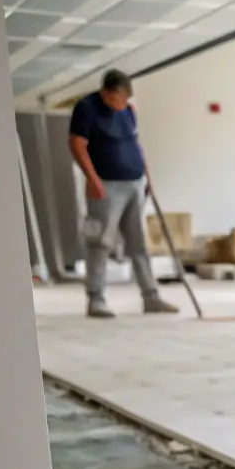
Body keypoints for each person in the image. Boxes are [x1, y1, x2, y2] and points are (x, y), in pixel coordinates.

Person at [67, 69, 177, 319]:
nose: (121, 105)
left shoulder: (128, 110)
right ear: (107, 92)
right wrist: (92, 178)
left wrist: (147, 174)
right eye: (118, 99)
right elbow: (77, 144)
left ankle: (151, 297)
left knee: (138, 243)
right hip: (105, 185)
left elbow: (135, 144)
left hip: (134, 183)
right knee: (100, 242)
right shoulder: (87, 108)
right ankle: (96, 299)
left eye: (125, 100)